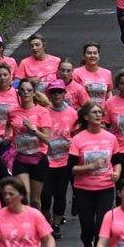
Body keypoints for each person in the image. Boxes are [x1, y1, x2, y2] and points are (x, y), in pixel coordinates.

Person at [67, 102, 119, 247]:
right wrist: (90, 166)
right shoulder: (78, 139)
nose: (98, 115)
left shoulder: (110, 138)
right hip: (84, 189)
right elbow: (71, 168)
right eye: (94, 112)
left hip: (105, 187)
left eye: (100, 112)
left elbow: (117, 160)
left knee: (101, 229)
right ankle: (86, 246)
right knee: (87, 228)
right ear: (86, 117)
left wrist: (117, 173)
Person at [40, 81, 76, 236]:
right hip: (45, 160)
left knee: (60, 194)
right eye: (53, 92)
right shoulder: (42, 112)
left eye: (59, 92)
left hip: (64, 160)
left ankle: (55, 224)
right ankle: (45, 220)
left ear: (64, 93)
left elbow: (77, 133)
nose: (56, 95)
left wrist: (73, 141)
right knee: (45, 195)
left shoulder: (72, 112)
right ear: (49, 94)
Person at [7, 80, 51, 209]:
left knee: (35, 200)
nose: (25, 92)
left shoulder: (42, 112)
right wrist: (7, 137)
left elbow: (47, 139)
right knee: (24, 196)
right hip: (20, 158)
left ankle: (37, 224)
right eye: (22, 90)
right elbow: (9, 128)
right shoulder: (12, 112)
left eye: (29, 90)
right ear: (18, 93)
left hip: (38, 158)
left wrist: (33, 130)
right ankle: (25, 226)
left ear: (34, 93)